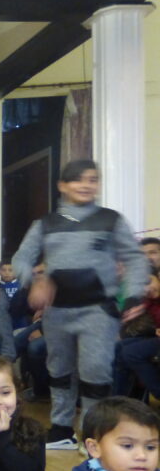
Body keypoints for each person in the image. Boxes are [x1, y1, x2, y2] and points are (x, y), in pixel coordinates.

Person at [12, 159, 150, 449]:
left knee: (95, 371)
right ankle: (62, 429)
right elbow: (21, 258)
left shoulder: (112, 220)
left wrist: (135, 294)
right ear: (63, 186)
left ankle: (93, 432)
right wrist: (34, 281)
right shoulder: (45, 224)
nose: (86, 185)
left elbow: (136, 259)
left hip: (98, 311)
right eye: (77, 180)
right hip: (57, 311)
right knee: (58, 370)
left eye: (92, 179)